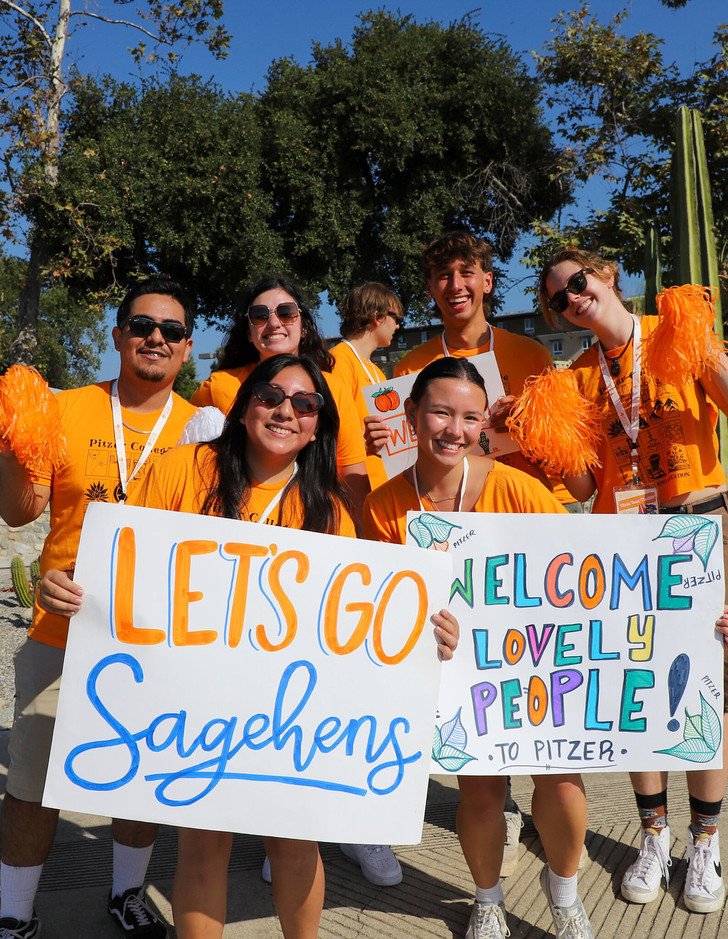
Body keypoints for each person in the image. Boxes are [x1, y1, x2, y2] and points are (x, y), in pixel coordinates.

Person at [114, 353, 456, 938]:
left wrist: (423, 631)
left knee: (295, 843)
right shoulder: (181, 471)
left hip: (286, 710)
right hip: (195, 701)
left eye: (305, 404)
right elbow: (124, 557)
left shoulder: (326, 511)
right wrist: (75, 586)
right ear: (245, 405)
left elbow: (360, 622)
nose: (285, 411)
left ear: (319, 425)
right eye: (271, 396)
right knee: (203, 842)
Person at [363, 357, 593, 939]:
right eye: (440, 412)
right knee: (482, 793)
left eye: (469, 417)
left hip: (537, 668)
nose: (454, 430)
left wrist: (694, 614)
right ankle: (486, 898)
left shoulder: (516, 488)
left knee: (561, 785)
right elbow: (377, 603)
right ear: (411, 416)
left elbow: (593, 573)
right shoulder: (384, 505)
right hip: (453, 679)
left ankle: (563, 894)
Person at [363, 230, 570, 874]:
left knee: (549, 758)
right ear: (428, 288)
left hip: (518, 533)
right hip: (436, 540)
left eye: (467, 272)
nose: (455, 284)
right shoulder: (412, 366)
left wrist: (516, 432)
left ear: (486, 281)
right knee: (466, 729)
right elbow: (409, 470)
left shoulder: (530, 353)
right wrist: (384, 438)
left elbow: (562, 456)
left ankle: (551, 860)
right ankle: (480, 827)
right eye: (441, 275)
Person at [0, 276, 197, 939]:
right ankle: (13, 912)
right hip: (61, 631)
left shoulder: (204, 427)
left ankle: (126, 895)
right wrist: (11, 440)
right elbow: (18, 510)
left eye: (170, 330)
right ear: (118, 336)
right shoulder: (67, 408)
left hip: (157, 644)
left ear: (188, 347)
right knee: (30, 784)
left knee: (139, 782)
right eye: (142, 325)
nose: (155, 338)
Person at [539, 247, 728, 914]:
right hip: (627, 541)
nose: (573, 299)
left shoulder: (677, 331)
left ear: (607, 275)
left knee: (705, 687)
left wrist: (706, 352)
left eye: (578, 283)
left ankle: (705, 840)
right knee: (639, 693)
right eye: (559, 300)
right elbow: (589, 485)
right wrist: (552, 441)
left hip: (701, 524)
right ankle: (653, 833)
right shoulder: (579, 379)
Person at [191, 276, 370, 527]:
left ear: (304, 326)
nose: (274, 323)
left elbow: (351, 472)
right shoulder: (219, 385)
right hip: (229, 520)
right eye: (260, 315)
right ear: (249, 333)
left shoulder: (332, 389)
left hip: (308, 525)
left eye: (286, 313)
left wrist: (360, 541)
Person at [330, 282, 404, 491]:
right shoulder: (339, 361)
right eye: (395, 318)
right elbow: (336, 434)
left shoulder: (377, 371)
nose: (398, 326)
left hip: (381, 485)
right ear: (377, 316)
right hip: (354, 488)